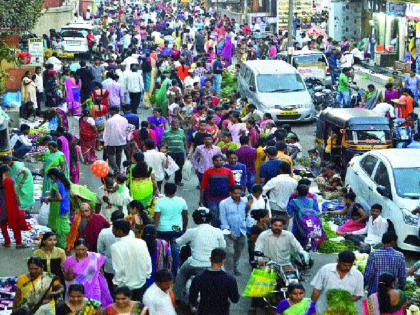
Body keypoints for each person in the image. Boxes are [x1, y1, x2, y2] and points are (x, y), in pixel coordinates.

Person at [174, 207, 226, 301]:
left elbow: (178, 242)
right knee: (225, 278)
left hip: (195, 264)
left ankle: (176, 297)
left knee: (181, 273)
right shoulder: (217, 231)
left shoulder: (192, 232)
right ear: (210, 218)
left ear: (195, 219)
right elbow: (223, 247)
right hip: (214, 264)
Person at [310, 250, 364, 315]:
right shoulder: (325, 270)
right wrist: (312, 308)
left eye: (350, 265)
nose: (347, 267)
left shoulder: (358, 275)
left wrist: (342, 302)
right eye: (344, 265)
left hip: (345, 312)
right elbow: (316, 290)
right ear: (338, 261)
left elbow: (358, 295)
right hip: (322, 310)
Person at [111, 219, 152, 302]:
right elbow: (148, 261)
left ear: (119, 231)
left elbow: (118, 268)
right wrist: (146, 275)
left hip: (126, 286)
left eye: (113, 229)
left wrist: (116, 283)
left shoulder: (115, 247)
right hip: (141, 283)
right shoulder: (141, 242)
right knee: (138, 308)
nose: (112, 231)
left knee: (125, 310)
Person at [189, 248, 240, 315]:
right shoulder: (230, 279)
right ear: (223, 261)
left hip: (203, 311)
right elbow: (235, 299)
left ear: (210, 259)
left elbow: (192, 299)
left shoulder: (199, 278)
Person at [64, 238, 112, 306]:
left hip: (94, 287)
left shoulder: (95, 257)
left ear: (87, 248)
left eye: (83, 249)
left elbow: (100, 271)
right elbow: (67, 279)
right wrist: (69, 272)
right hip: (77, 290)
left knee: (94, 307)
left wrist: (103, 283)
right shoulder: (69, 260)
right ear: (74, 249)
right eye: (78, 249)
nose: (80, 252)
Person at [154, 182, 188, 275]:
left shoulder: (160, 202)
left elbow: (156, 218)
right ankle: (175, 271)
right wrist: (184, 228)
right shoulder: (181, 201)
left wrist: (154, 230)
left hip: (162, 230)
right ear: (175, 190)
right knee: (175, 250)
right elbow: (185, 216)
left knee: (163, 250)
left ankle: (163, 271)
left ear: (165, 191)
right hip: (176, 229)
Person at [219, 185, 247, 276]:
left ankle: (235, 267)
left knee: (238, 251)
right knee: (229, 253)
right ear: (230, 193)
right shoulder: (224, 203)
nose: (238, 195)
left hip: (242, 231)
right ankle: (228, 272)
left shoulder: (245, 202)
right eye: (235, 193)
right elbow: (223, 218)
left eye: (239, 193)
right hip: (229, 232)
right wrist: (228, 232)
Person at [200, 154, 235, 227]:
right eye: (216, 160)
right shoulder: (208, 172)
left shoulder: (228, 172)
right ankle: (216, 231)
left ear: (223, 161)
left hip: (226, 198)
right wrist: (201, 199)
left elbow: (232, 185)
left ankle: (224, 230)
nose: (218, 162)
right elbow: (203, 187)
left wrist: (233, 198)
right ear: (213, 162)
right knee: (214, 216)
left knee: (225, 215)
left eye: (220, 160)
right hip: (212, 199)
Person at [44, 168, 71, 249]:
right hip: (66, 206)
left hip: (58, 207)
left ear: (53, 175)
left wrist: (49, 199)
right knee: (64, 223)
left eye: (51, 177)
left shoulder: (56, 184)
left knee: (58, 227)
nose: (51, 179)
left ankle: (61, 247)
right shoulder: (65, 182)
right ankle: (66, 244)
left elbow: (59, 198)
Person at [103, 106, 129, 173]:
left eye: (110, 111)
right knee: (119, 154)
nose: (109, 112)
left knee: (110, 155)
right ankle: (118, 168)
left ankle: (116, 169)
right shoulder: (124, 119)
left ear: (113, 111)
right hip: (121, 140)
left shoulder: (109, 120)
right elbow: (126, 130)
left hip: (111, 141)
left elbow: (106, 133)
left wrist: (105, 143)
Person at [163, 119, 187, 186]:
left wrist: (187, 150)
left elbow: (184, 141)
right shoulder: (166, 132)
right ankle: (168, 174)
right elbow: (164, 142)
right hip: (170, 152)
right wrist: (164, 152)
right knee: (169, 166)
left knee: (179, 167)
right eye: (174, 125)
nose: (175, 126)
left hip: (180, 152)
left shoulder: (182, 131)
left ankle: (177, 180)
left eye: (177, 125)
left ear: (179, 125)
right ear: (171, 124)